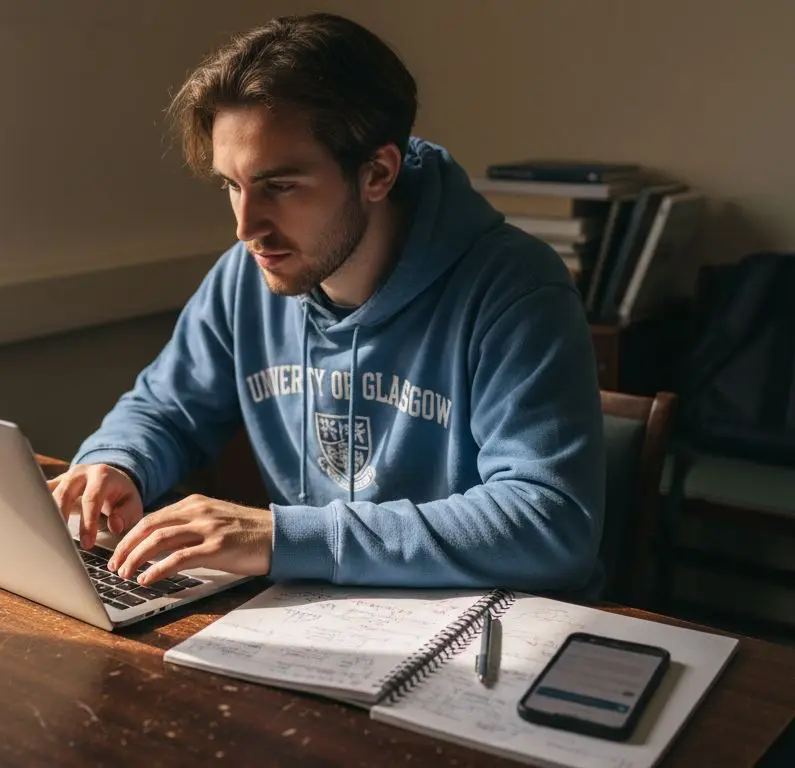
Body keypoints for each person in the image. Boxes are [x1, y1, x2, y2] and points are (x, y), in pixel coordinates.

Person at [50, 12, 604, 594]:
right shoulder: (249, 274)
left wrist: (280, 537)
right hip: (322, 617)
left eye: (281, 185)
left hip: (483, 633)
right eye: (232, 186)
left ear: (378, 172)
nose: (246, 226)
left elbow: (550, 522)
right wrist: (115, 463)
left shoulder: (516, 289)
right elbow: (165, 407)